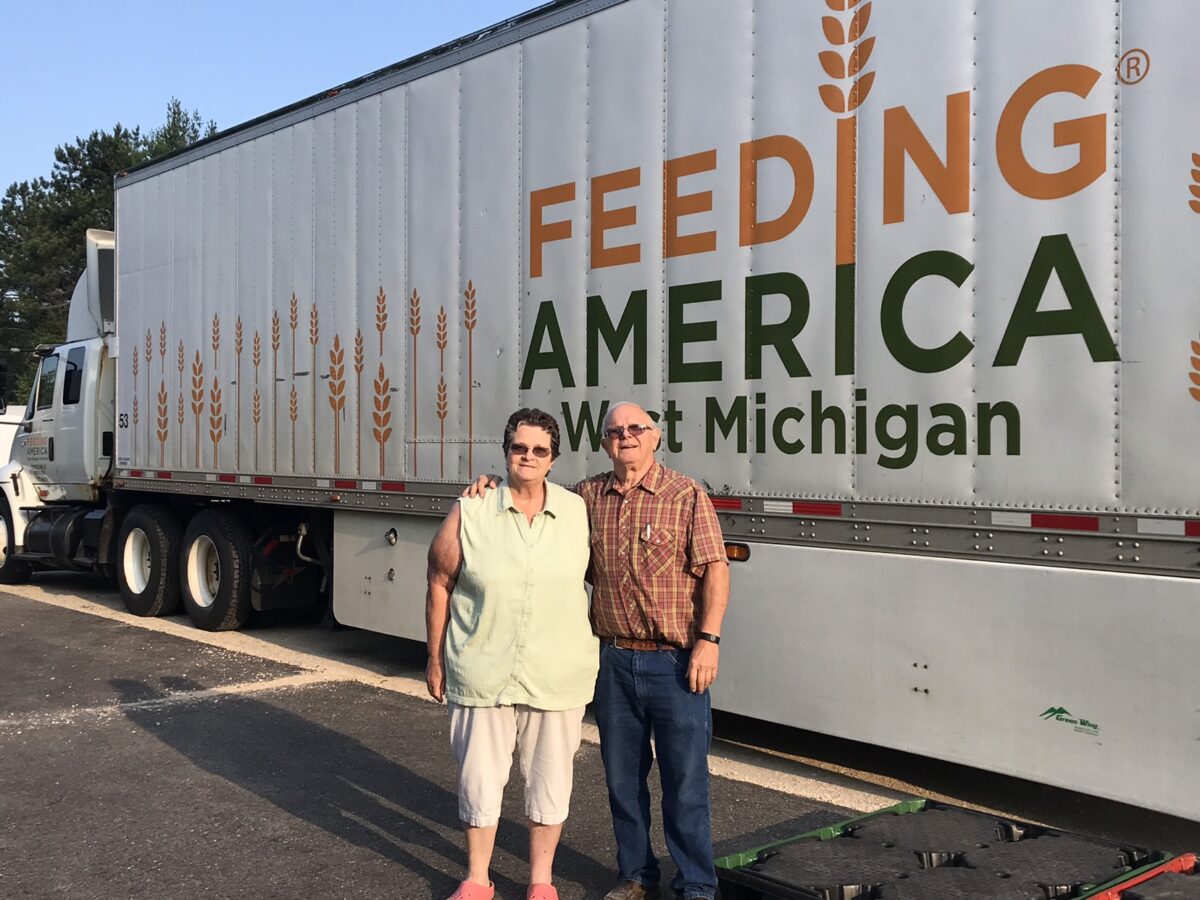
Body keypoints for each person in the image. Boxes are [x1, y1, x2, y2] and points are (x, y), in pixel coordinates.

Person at [468, 401, 730, 900]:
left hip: (675, 661)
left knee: (686, 782)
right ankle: (636, 876)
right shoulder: (586, 497)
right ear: (605, 442)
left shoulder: (686, 494)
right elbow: (532, 493)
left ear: (655, 437)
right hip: (612, 660)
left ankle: (697, 885)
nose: (625, 436)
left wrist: (709, 640)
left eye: (636, 428)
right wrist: (493, 483)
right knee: (622, 781)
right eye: (615, 430)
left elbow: (715, 568)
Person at [426, 408, 598, 900]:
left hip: (555, 671)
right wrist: (434, 658)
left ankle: (541, 881)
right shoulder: (472, 508)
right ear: (505, 453)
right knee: (479, 780)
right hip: (483, 668)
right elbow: (439, 580)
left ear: (553, 459)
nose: (528, 456)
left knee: (550, 780)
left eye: (540, 450)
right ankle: (478, 878)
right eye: (519, 448)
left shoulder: (577, 511)